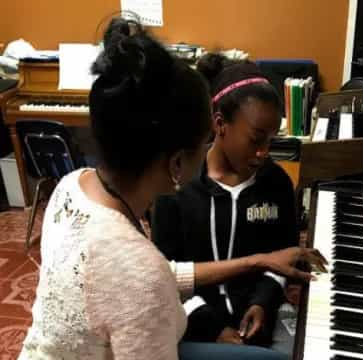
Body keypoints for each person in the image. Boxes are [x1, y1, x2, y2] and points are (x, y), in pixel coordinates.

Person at [18, 18, 326, 360]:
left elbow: (158, 273)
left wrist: (256, 263)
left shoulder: (69, 186)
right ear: (177, 162)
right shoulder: (143, 275)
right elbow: (148, 278)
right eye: (203, 140)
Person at [152, 54, 322, 351]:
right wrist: (211, 327)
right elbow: (165, 273)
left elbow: (282, 257)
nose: (263, 153)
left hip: (263, 319)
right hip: (192, 322)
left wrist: (262, 303)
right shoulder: (176, 188)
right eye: (256, 139)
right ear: (220, 124)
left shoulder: (277, 183)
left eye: (271, 140)